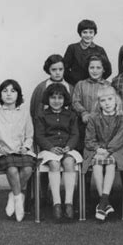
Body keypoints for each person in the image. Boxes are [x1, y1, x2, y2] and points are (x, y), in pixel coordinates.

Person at [0, 79, 36, 222]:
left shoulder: (24, 114)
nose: (8, 94)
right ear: (0, 94)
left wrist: (25, 147)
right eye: (5, 91)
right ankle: (19, 200)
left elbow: (29, 136)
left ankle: (13, 194)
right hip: (2, 153)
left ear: (18, 95)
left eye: (13, 91)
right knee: (12, 169)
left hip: (20, 152)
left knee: (27, 169)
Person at [34, 83, 81, 220]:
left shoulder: (71, 115)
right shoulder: (42, 115)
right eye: (53, 97)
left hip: (67, 148)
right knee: (54, 164)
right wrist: (50, 147)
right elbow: (39, 136)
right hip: (49, 150)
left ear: (64, 99)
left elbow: (75, 135)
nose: (56, 101)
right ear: (47, 99)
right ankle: (57, 203)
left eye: (60, 98)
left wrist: (69, 146)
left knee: (69, 162)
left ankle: (69, 203)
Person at [83, 86, 123, 221]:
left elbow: (119, 139)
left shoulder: (122, 117)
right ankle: (104, 202)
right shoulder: (94, 118)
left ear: (116, 100)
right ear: (99, 103)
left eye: (110, 99)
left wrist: (108, 151)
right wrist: (98, 149)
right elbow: (89, 139)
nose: (107, 103)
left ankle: (103, 202)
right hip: (96, 149)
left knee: (110, 163)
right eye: (103, 101)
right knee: (97, 163)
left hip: (117, 149)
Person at [72, 54, 112, 151]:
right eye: (92, 67)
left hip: (102, 127)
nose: (95, 70)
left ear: (104, 69)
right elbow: (75, 101)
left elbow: (111, 105)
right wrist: (83, 113)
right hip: (83, 125)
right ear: (87, 68)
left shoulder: (109, 86)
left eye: (98, 67)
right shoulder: (81, 84)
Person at [63, 19, 112, 86]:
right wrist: (74, 83)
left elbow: (108, 70)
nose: (88, 35)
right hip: (76, 85)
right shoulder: (72, 48)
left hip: (95, 86)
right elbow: (64, 69)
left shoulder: (100, 50)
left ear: (94, 33)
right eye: (85, 32)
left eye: (91, 32)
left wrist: (97, 80)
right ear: (80, 33)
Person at [30, 54, 73, 119]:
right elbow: (35, 111)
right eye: (54, 69)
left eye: (60, 69)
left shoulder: (70, 88)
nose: (57, 72)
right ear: (48, 70)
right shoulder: (41, 88)